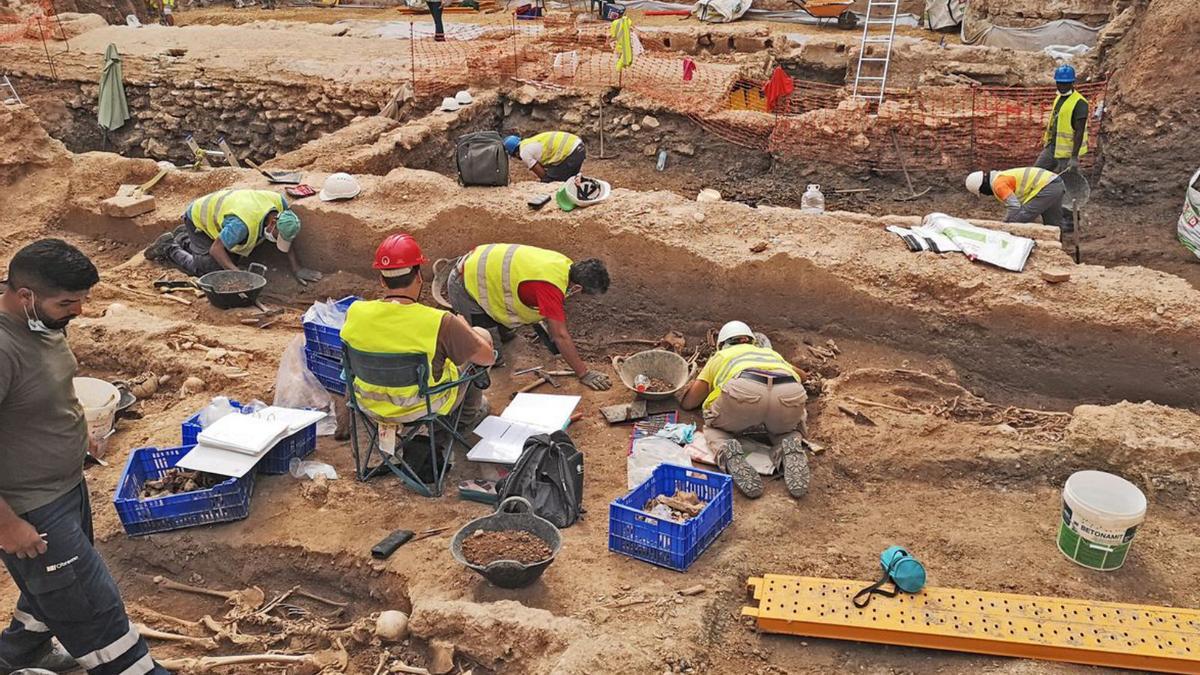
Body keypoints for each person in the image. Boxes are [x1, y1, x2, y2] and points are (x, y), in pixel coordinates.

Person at [0, 240, 168, 675]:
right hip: (31, 506)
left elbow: (44, 393)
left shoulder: (43, 324)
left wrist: (78, 434)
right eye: (68, 302)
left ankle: (21, 653)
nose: (79, 311)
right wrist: (7, 525)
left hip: (65, 485)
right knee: (93, 611)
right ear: (25, 296)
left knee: (53, 586)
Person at [340, 234, 495, 429]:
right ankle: (465, 418)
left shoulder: (355, 311)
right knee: (483, 336)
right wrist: (464, 327)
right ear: (419, 277)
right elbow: (488, 358)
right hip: (423, 406)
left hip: (369, 405)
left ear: (382, 280)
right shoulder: (440, 321)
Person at [445, 243, 612, 391]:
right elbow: (559, 336)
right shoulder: (550, 287)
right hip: (464, 285)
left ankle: (497, 328)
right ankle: (470, 369)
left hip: (480, 265)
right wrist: (584, 373)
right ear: (576, 287)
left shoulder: (564, 264)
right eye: (583, 293)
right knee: (492, 357)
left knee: (506, 334)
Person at [678, 321, 809, 499]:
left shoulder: (721, 356)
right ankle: (788, 444)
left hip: (744, 392)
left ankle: (728, 450)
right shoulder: (769, 353)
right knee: (786, 429)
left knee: (713, 429)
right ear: (752, 341)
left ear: (722, 344)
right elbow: (803, 376)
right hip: (788, 391)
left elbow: (690, 402)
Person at [143, 188, 322, 285]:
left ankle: (184, 237)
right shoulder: (242, 225)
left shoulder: (281, 206)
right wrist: (239, 276)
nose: (277, 241)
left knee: (232, 258)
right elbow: (216, 249)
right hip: (199, 217)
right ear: (272, 223)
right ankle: (169, 246)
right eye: (277, 236)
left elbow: (287, 238)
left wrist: (297, 268)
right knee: (210, 268)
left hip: (223, 219)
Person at [965, 167, 1066, 228]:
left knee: (1018, 219)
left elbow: (1015, 207)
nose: (986, 195)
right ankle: (1058, 249)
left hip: (1047, 186)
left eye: (982, 192)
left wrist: (1005, 225)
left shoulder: (998, 185)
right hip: (1054, 183)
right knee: (1053, 223)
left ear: (983, 186)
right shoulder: (1000, 176)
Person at [1034, 65, 1088, 174]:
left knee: (1068, 180)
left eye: (1065, 83)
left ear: (1072, 83)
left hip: (1068, 152)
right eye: (1059, 83)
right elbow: (1055, 121)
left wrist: (1074, 157)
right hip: (1052, 147)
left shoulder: (1080, 103)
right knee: (1036, 174)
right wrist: (1047, 140)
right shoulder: (1059, 98)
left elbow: (1079, 131)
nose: (1062, 86)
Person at [503, 132, 586, 183]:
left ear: (515, 154)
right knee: (569, 179)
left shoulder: (524, 152)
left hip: (571, 153)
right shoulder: (529, 142)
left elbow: (542, 175)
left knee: (549, 181)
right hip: (578, 146)